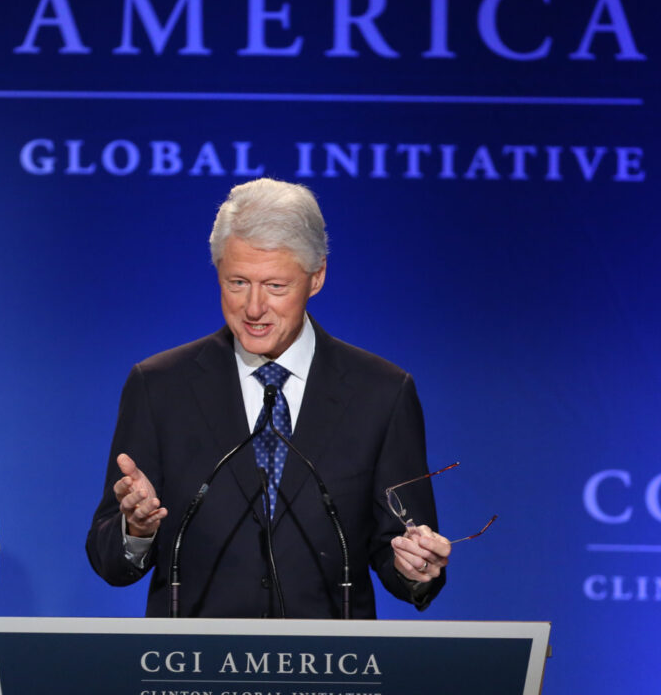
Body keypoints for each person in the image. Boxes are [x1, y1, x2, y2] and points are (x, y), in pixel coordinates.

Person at [87, 178, 452, 618]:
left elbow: (400, 548)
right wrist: (136, 528)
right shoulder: (160, 386)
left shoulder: (382, 392)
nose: (254, 307)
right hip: (195, 671)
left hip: (328, 673)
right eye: (237, 282)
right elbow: (109, 558)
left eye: (276, 286)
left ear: (316, 277)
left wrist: (415, 565)